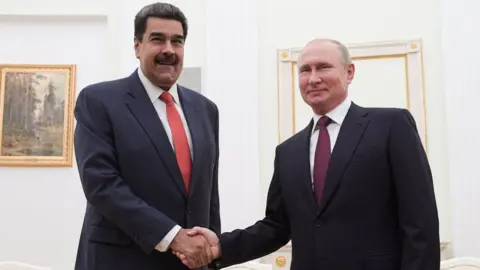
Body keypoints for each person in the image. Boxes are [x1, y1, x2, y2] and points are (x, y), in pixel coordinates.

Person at [176, 39, 440, 270]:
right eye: (305, 70)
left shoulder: (391, 126)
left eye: (323, 67)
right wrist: (220, 246)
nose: (313, 78)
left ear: (349, 72)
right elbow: (276, 227)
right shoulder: (287, 152)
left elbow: (420, 224)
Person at [73, 2, 220, 270]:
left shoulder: (205, 110)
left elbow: (209, 194)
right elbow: (100, 184)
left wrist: (211, 255)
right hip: (119, 261)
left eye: (177, 41)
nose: (169, 50)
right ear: (137, 46)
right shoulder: (98, 101)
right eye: (157, 39)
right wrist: (174, 237)